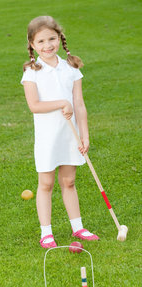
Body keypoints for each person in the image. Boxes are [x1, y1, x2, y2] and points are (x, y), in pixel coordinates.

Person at [21, 15, 99, 248]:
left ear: (60, 39)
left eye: (52, 39)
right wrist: (60, 103)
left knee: (69, 181)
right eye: (41, 41)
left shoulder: (71, 68)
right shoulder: (31, 72)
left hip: (70, 134)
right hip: (48, 137)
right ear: (32, 45)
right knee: (46, 184)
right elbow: (34, 106)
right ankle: (46, 232)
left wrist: (84, 135)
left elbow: (80, 104)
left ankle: (78, 227)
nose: (48, 45)